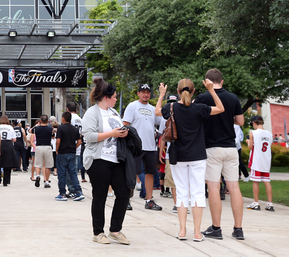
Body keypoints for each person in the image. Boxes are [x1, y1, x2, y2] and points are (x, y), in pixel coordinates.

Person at [155, 78, 225, 242]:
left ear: (178, 92)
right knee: (198, 193)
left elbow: (158, 110)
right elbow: (221, 108)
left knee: (182, 193)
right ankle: (197, 233)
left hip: (178, 156)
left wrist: (162, 94)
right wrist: (211, 90)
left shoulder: (171, 107)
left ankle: (182, 231)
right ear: (193, 91)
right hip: (197, 156)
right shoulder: (199, 109)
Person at [195, 68, 245, 241]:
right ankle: (238, 229)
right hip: (230, 147)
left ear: (206, 81)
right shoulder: (233, 98)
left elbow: (195, 117)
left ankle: (216, 228)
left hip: (211, 147)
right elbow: (240, 121)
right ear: (221, 81)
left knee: (214, 187)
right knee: (234, 188)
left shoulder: (202, 98)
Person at [82, 77, 131, 246]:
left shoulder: (114, 113)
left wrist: (122, 133)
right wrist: (112, 134)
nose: (116, 99)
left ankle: (115, 230)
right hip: (98, 160)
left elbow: (116, 131)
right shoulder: (92, 113)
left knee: (124, 193)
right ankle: (98, 232)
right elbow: (88, 137)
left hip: (117, 160)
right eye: (115, 96)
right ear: (106, 97)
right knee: (100, 196)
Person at [123, 83, 162, 211]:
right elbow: (125, 125)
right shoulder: (132, 106)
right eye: (143, 92)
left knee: (150, 172)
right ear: (138, 93)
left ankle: (149, 199)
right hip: (135, 146)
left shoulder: (152, 109)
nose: (145, 94)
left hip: (150, 146)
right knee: (131, 173)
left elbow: (160, 122)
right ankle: (126, 199)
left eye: (148, 92)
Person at [246, 115, 275, 211]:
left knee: (256, 181)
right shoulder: (269, 134)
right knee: (267, 181)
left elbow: (250, 147)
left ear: (254, 123)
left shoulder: (253, 133)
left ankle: (256, 203)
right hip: (266, 161)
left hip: (256, 160)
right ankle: (270, 204)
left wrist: (248, 141)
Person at [55, 111, 84, 201]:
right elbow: (79, 142)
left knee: (62, 173)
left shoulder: (61, 128)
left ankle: (62, 193)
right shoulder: (74, 129)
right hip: (72, 153)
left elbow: (58, 140)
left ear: (63, 118)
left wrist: (57, 149)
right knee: (73, 173)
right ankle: (78, 192)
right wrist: (73, 147)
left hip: (62, 152)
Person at [0, 115, 18, 186]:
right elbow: (14, 139)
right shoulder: (10, 127)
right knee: (8, 164)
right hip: (8, 145)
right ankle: (6, 181)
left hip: (0, 144)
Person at [32, 115, 54, 188]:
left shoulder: (36, 128)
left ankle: (38, 175)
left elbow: (30, 130)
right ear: (48, 121)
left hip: (38, 146)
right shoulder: (50, 128)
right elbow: (53, 136)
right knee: (47, 165)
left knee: (38, 163)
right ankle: (46, 181)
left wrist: (37, 125)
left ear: (40, 120)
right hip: (47, 146)